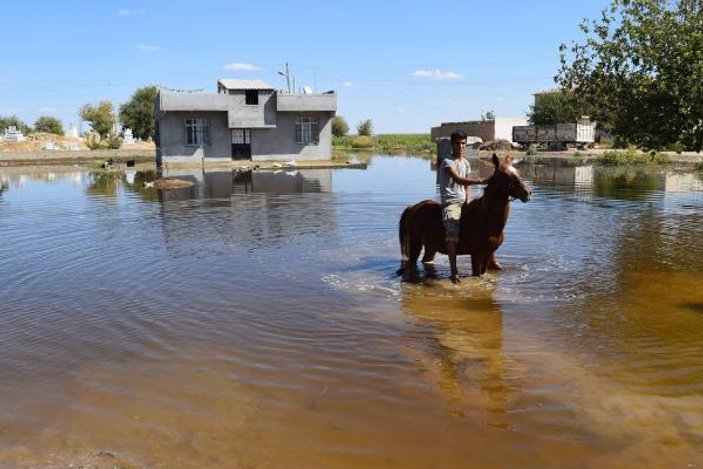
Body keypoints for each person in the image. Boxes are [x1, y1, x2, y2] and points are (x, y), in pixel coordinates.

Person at [439, 131, 487, 284]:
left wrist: (469, 200)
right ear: (452, 144)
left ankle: (489, 261)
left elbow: (466, 186)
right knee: (452, 231)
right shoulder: (447, 162)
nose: (460, 146)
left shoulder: (465, 163)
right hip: (451, 202)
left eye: (463, 143)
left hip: (464, 201)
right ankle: (454, 271)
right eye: (457, 143)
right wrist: (481, 181)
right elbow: (459, 180)